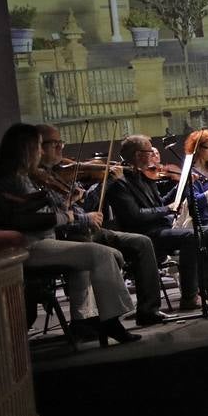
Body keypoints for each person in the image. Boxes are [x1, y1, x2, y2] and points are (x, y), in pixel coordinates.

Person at [0, 123, 140, 343]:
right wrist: (66, 216)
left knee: (87, 259)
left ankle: (85, 321)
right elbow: (31, 218)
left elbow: (41, 211)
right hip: (31, 246)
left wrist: (64, 206)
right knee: (102, 254)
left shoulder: (23, 177)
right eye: (39, 147)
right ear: (26, 149)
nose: (41, 152)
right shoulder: (14, 180)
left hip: (44, 241)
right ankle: (110, 322)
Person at [37, 124, 168, 326]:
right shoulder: (37, 178)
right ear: (38, 147)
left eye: (60, 143)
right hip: (69, 235)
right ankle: (106, 321)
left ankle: (148, 310)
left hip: (90, 228)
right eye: (56, 144)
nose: (61, 149)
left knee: (142, 242)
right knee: (104, 253)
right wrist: (105, 184)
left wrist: (77, 202)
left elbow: (84, 203)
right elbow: (76, 210)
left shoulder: (54, 174)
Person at [108, 135, 208, 313]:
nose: (153, 156)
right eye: (150, 151)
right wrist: (167, 209)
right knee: (192, 236)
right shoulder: (120, 183)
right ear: (139, 155)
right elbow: (135, 216)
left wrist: (180, 187)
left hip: (160, 230)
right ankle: (190, 296)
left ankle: (206, 288)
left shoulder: (145, 176)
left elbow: (159, 204)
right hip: (145, 235)